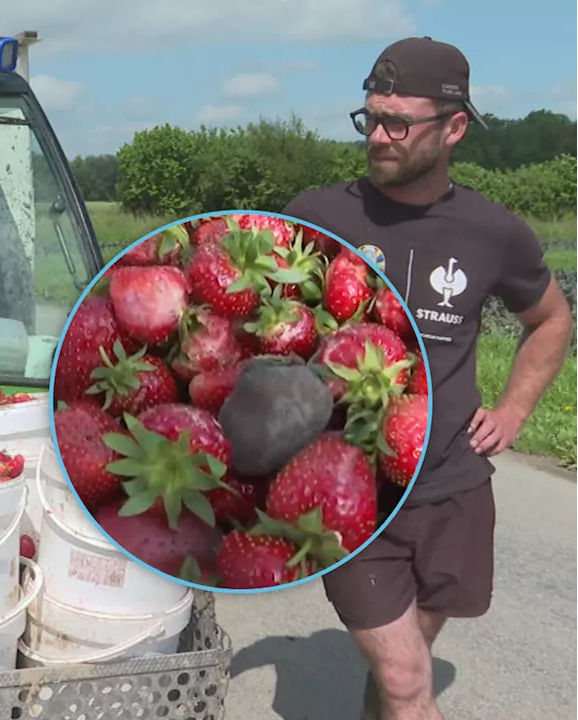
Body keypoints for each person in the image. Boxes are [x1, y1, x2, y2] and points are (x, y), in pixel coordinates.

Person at [283, 37, 573, 720]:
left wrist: (514, 412)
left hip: (452, 487)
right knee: (411, 679)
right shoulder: (316, 215)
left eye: (398, 123)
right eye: (370, 118)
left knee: (400, 671)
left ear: (454, 128)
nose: (378, 136)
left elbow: (552, 320)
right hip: (351, 494)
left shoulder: (492, 232)